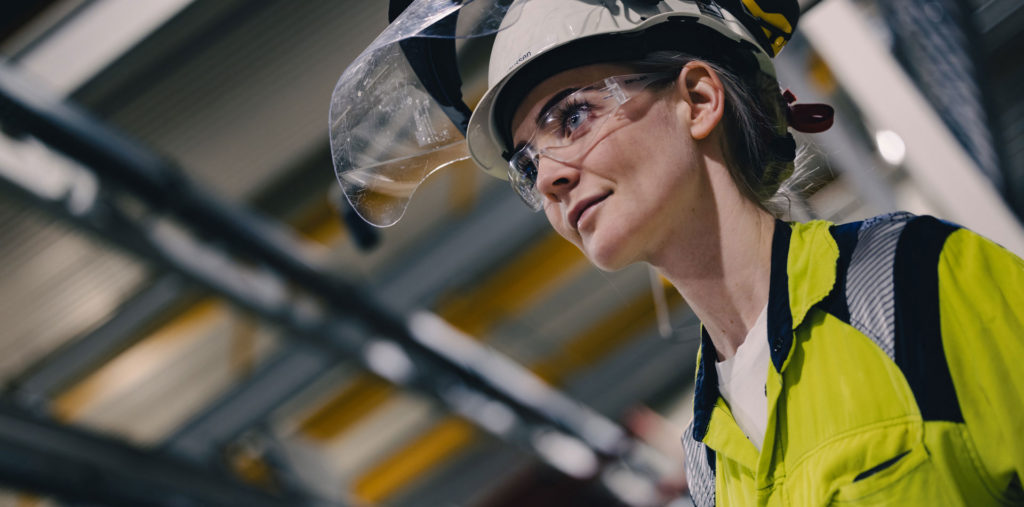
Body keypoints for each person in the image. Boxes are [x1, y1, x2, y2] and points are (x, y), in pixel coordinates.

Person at [329, 0, 1024, 504]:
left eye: (572, 117)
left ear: (697, 98)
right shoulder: (707, 459)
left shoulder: (914, 285)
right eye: (527, 163)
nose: (549, 177)